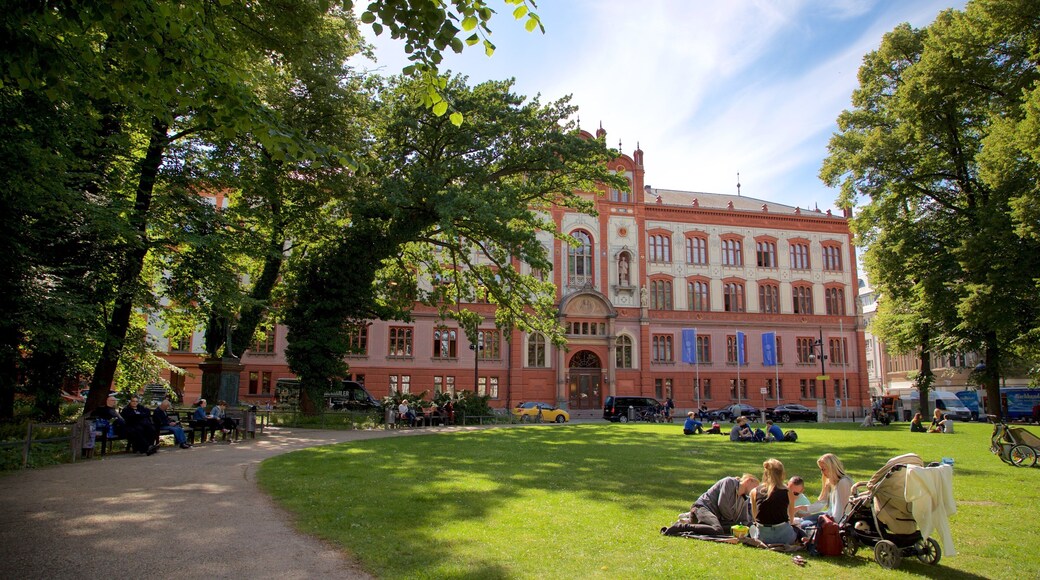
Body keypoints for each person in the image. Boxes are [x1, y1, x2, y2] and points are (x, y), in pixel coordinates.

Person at [662, 474, 759, 536]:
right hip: (702, 508)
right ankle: (681, 527)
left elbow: (743, 520)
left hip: (714, 518)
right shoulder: (729, 482)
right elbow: (722, 505)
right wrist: (731, 521)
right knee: (718, 530)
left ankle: (694, 526)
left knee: (733, 528)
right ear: (748, 480)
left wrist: (750, 526)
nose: (755, 490)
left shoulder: (744, 498)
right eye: (755, 486)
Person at [749, 458, 798, 545]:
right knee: (798, 529)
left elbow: (755, 517)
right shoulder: (787, 491)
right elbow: (791, 517)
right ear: (782, 474)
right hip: (784, 537)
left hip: (763, 537)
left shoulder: (754, 492)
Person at [803, 453, 854, 526]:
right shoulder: (830, 482)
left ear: (832, 467)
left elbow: (846, 509)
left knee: (803, 525)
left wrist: (838, 526)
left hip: (836, 521)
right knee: (801, 521)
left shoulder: (844, 482)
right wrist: (800, 508)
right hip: (830, 514)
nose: (822, 472)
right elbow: (821, 503)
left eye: (823, 469)